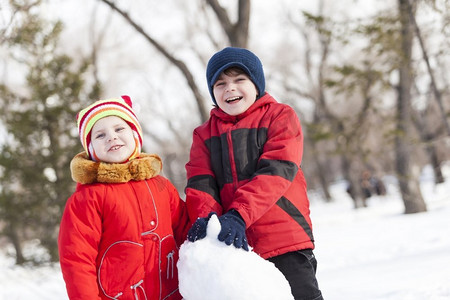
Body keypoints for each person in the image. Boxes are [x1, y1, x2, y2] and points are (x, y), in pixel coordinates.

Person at [185, 47, 323, 300]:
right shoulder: (204, 134)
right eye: (220, 83)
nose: (230, 88)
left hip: (284, 238)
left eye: (239, 80)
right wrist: (207, 219)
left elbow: (276, 171)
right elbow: (200, 182)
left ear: (256, 84)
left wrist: (239, 214)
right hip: (237, 245)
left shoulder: (280, 116)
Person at [58, 96, 189, 300]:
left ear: (135, 135)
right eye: (100, 135)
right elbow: (77, 260)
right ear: (91, 149)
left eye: (119, 129)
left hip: (170, 294)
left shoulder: (161, 186)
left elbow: (186, 231)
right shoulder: (88, 198)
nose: (112, 137)